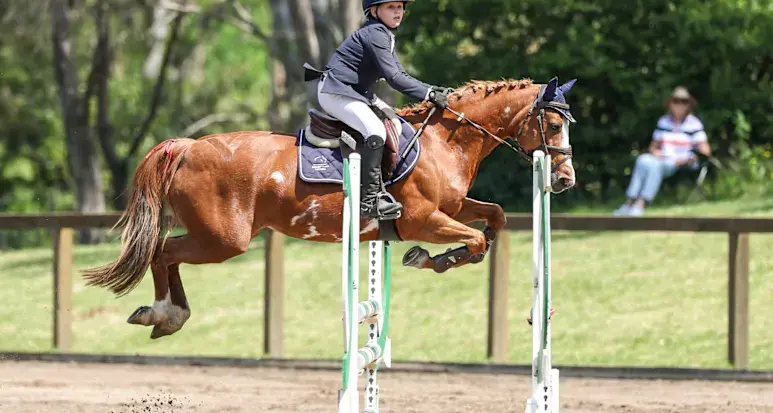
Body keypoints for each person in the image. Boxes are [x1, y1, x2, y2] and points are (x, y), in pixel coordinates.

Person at [304, 0, 451, 220]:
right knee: (376, 130)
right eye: (391, 7)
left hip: (354, 92)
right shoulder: (375, 34)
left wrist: (430, 89)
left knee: (393, 119)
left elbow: (400, 73)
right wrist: (428, 95)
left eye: (400, 7)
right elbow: (394, 78)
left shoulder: (383, 34)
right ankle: (369, 201)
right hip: (336, 93)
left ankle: (384, 187)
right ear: (374, 11)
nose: (398, 12)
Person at [613, 86, 711, 216]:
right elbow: (653, 147)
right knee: (642, 160)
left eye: (683, 102)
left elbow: (705, 151)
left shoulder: (694, 124)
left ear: (688, 105)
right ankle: (629, 203)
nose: (679, 105)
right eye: (676, 101)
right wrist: (655, 152)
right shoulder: (663, 122)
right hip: (662, 157)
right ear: (670, 104)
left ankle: (641, 204)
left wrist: (688, 159)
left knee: (654, 165)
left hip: (681, 162)